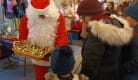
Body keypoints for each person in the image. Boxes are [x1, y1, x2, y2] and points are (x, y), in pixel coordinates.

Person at [77, 0, 133, 80]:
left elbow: (91, 60)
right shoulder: (115, 23)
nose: (82, 20)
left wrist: (85, 76)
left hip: (99, 75)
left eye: (83, 17)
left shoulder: (97, 32)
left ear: (92, 14)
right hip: (114, 72)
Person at [18, 0, 68, 80]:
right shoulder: (27, 17)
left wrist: (58, 53)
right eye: (39, 15)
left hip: (55, 54)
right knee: (40, 76)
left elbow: (62, 36)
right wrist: (23, 46)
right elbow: (22, 34)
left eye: (44, 15)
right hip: (37, 56)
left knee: (57, 77)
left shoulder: (57, 16)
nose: (41, 17)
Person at [120, 2, 138, 80]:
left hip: (130, 75)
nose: (124, 19)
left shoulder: (135, 36)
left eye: (126, 16)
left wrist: (120, 68)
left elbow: (136, 63)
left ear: (134, 18)